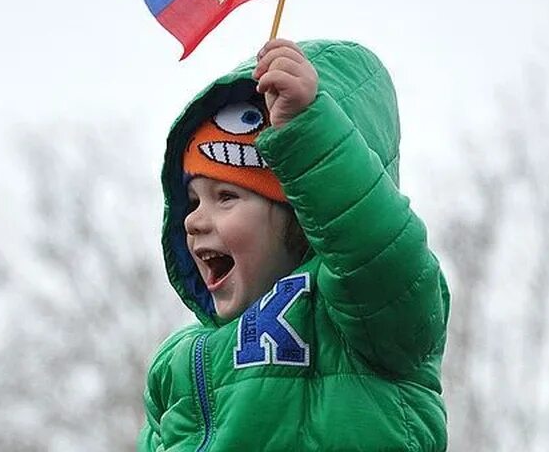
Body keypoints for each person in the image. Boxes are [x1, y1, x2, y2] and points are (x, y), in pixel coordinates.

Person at [138, 39, 450, 451]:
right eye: (192, 201)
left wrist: (307, 132)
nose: (193, 221)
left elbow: (373, 246)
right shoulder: (176, 360)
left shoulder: (367, 317)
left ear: (303, 215)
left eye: (226, 197)